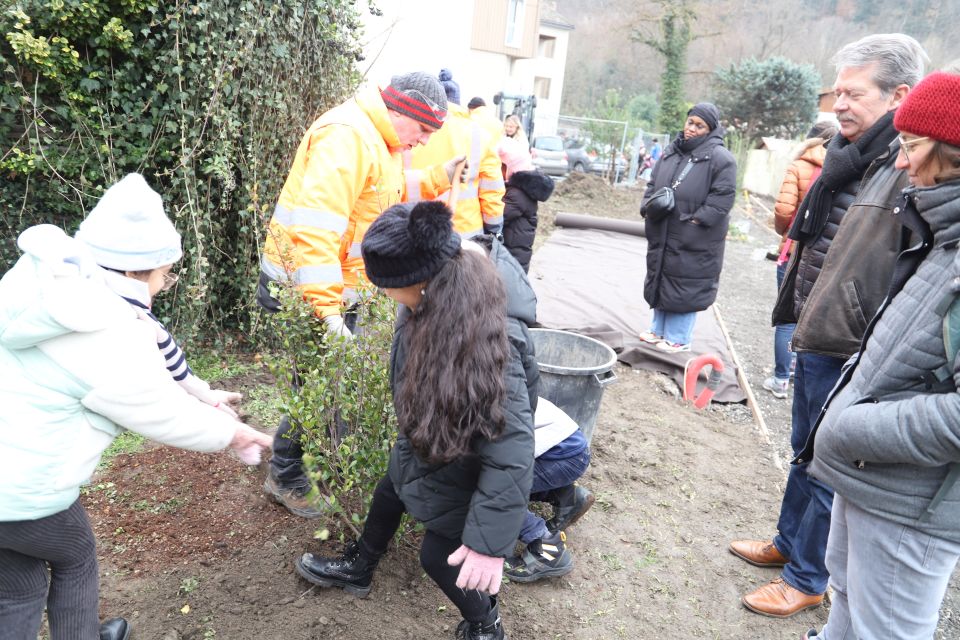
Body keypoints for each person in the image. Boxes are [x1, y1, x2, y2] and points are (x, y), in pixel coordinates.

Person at [0, 174, 272, 640]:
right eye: (165, 273)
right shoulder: (107, 330)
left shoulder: (48, 288)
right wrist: (236, 434)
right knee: (77, 555)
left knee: (19, 584)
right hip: (20, 488)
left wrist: (204, 393)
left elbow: (161, 370)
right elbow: (158, 408)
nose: (165, 285)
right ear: (132, 271)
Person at [731, 33, 928, 618]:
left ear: (900, 95)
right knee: (802, 450)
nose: (838, 104)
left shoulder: (906, 164)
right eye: (836, 91)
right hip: (818, 328)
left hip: (851, 339)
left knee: (825, 461)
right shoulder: (848, 157)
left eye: (853, 92)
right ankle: (789, 544)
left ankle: (808, 576)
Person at [293, 201, 535, 640]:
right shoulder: (439, 294)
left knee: (441, 555)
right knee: (393, 485)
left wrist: (487, 545)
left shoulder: (486, 334)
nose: (386, 294)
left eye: (390, 287)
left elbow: (511, 448)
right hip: (431, 435)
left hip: (469, 457)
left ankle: (486, 624)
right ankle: (360, 567)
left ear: (420, 281)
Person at [257, 72, 463, 517]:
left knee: (328, 384)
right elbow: (314, 230)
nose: (425, 141)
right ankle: (285, 474)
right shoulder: (347, 137)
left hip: (332, 289)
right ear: (403, 110)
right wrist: (328, 313)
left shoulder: (380, 141)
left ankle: (319, 457)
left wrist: (437, 177)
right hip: (304, 291)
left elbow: (382, 196)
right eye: (424, 130)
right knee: (315, 387)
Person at [800, 70, 960, 640]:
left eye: (913, 147)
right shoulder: (944, 235)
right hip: (875, 481)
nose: (901, 163)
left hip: (909, 502)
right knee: (846, 607)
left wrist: (856, 428)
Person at [638, 103, 737, 353]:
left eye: (699, 125)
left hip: (695, 236)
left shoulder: (720, 159)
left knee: (685, 283)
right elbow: (652, 184)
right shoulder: (671, 152)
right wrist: (646, 207)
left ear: (710, 129)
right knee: (662, 274)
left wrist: (696, 221)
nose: (692, 128)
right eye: (690, 122)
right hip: (663, 229)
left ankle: (678, 337)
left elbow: (722, 199)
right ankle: (658, 329)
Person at [763, 121, 838, 400]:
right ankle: (798, 372)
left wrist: (787, 233)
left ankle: (781, 379)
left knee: (787, 317)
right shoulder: (844, 167)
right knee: (812, 317)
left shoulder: (799, 166)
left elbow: (783, 210)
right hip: (827, 253)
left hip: (794, 250)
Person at [503, 397, 593, 583]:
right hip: (571, 447)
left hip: (558, 456)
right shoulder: (480, 376)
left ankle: (548, 549)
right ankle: (567, 497)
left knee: (490, 491)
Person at [406, 72, 505, 239]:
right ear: (458, 103)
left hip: (414, 228)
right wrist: (494, 227)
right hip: (464, 232)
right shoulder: (480, 134)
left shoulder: (414, 129)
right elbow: (491, 188)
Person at [497, 136, 554, 272]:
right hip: (516, 255)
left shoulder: (517, 195)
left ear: (509, 168)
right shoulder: (523, 190)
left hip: (512, 258)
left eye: (500, 166)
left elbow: (497, 217)